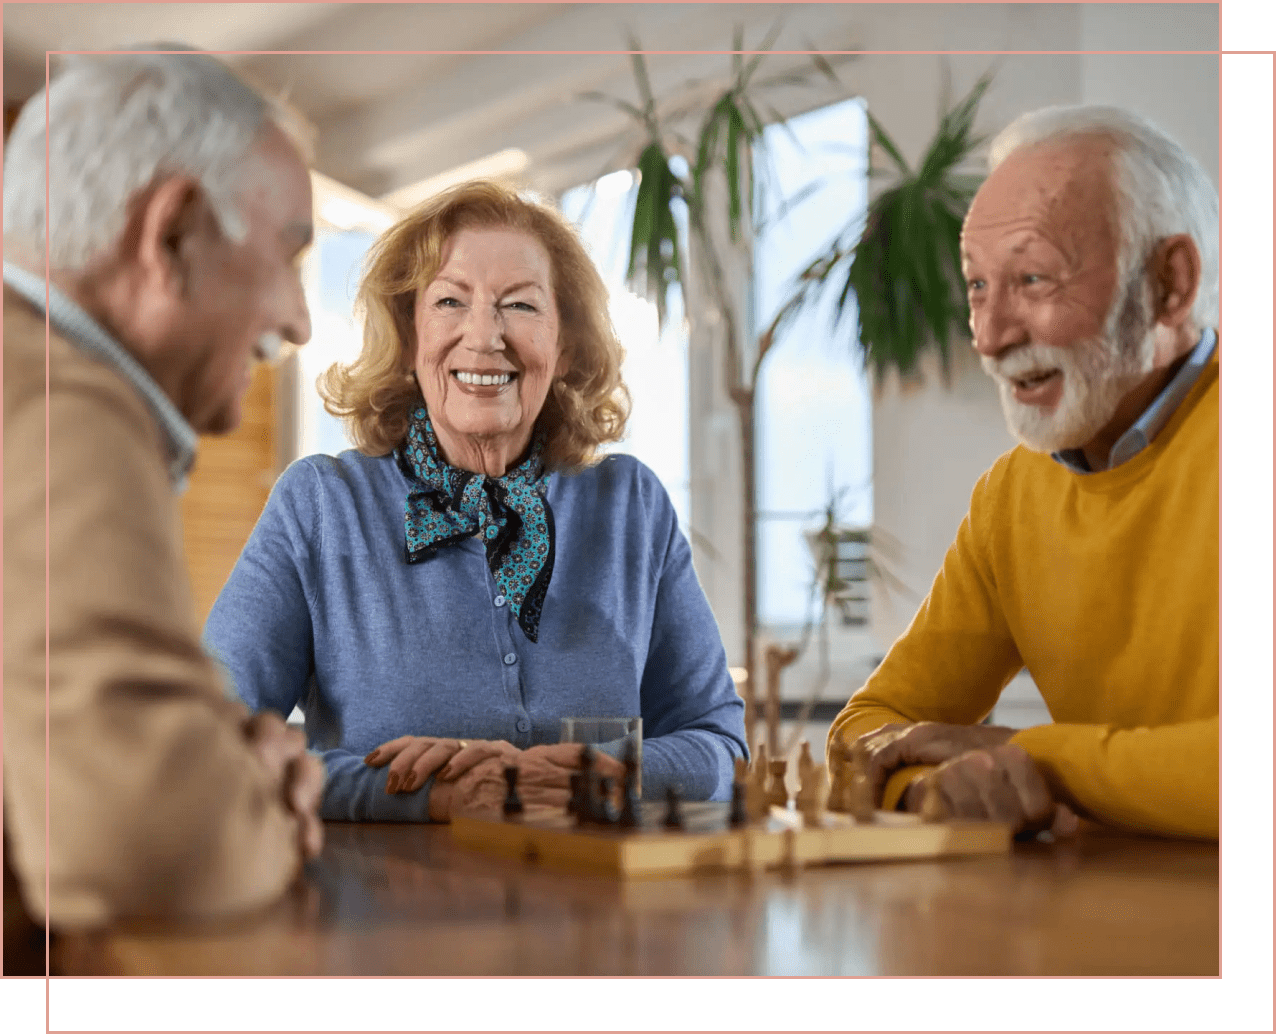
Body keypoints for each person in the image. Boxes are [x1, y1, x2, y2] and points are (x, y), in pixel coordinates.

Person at [202, 179, 749, 823]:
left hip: (600, 911)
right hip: (382, 913)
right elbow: (211, 745)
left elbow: (721, 747)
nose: (484, 335)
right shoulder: (320, 504)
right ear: (409, 339)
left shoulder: (633, 506)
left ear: (565, 346)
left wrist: (605, 772)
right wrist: (417, 794)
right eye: (450, 302)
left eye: (519, 305)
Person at [2, 46, 324, 958]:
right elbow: (146, 841)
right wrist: (249, 801)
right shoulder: (64, 406)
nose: (301, 318)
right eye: (289, 251)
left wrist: (208, 759)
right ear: (172, 235)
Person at [827, 105, 1218, 841]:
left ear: (1170, 284)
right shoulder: (1012, 495)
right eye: (977, 286)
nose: (989, 335)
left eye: (1034, 277)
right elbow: (869, 727)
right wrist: (927, 781)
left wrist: (1035, 757)